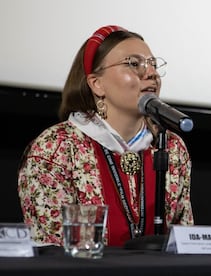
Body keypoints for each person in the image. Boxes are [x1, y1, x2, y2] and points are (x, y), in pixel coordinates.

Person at [17, 25, 194, 247]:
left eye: (153, 65)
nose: (151, 73)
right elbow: (52, 250)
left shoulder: (171, 147)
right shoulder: (56, 147)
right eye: (133, 64)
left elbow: (184, 242)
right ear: (97, 84)